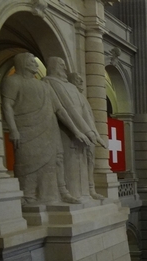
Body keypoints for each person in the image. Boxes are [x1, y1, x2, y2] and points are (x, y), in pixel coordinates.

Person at [1, 52, 91, 205]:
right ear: (23, 63)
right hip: (26, 129)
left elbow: (60, 110)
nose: (36, 64)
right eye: (32, 61)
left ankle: (59, 193)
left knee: (56, 161)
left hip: (49, 129)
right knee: (27, 162)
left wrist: (76, 131)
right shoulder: (13, 81)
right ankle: (29, 196)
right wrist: (13, 129)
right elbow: (7, 105)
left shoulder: (44, 85)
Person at [43, 57, 108, 200]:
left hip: (82, 133)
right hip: (65, 132)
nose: (65, 68)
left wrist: (94, 133)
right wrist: (84, 131)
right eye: (61, 65)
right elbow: (66, 108)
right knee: (69, 163)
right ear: (53, 66)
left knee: (82, 163)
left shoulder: (72, 88)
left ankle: (86, 193)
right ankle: (72, 194)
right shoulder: (49, 82)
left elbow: (85, 113)